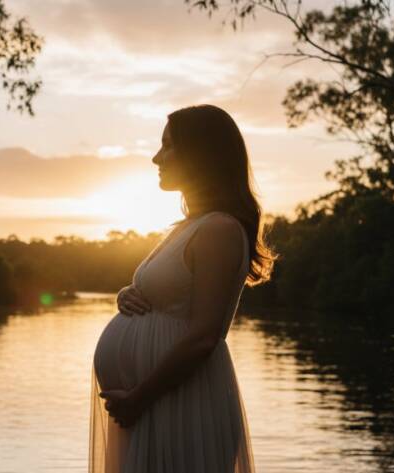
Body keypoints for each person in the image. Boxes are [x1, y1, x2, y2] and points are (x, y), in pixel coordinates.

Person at [90, 104, 277, 473]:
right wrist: (128, 295)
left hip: (181, 406)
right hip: (152, 407)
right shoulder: (189, 227)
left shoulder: (220, 229)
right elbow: (174, 295)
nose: (156, 157)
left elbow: (205, 336)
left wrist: (139, 398)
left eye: (167, 146)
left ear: (200, 155)